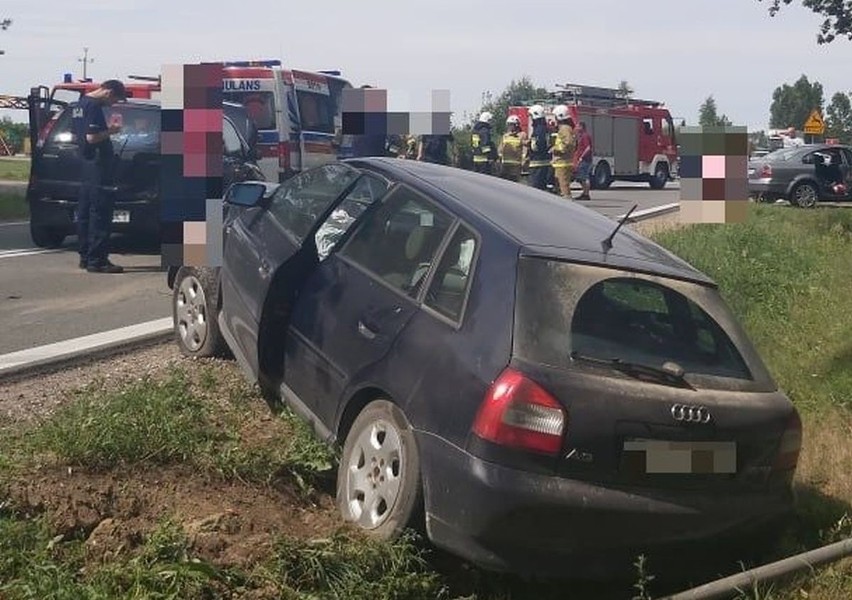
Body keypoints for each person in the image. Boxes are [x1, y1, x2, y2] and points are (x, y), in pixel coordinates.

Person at [72, 79, 126, 273]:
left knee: (85, 212)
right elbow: (92, 137)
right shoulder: (94, 106)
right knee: (100, 212)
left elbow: (77, 135)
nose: (113, 104)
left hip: (86, 164)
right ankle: (98, 260)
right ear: (108, 92)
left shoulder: (79, 104)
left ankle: (85, 256)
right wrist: (111, 131)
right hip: (98, 165)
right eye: (115, 99)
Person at [551, 106, 576, 199]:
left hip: (563, 163)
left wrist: (557, 149)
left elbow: (568, 143)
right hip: (561, 163)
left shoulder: (564, 128)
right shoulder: (565, 128)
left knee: (564, 189)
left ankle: (568, 206)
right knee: (560, 188)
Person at [526, 104, 550, 190]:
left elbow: (538, 145)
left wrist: (530, 145)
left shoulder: (539, 129)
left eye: (531, 116)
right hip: (543, 162)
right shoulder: (543, 128)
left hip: (538, 163)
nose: (531, 118)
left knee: (535, 189)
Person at [498, 115, 527, 182]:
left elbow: (525, 150)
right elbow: (500, 149)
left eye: (511, 125)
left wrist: (523, 161)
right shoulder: (505, 136)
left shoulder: (522, 135)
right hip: (505, 165)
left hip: (516, 166)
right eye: (508, 124)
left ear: (516, 125)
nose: (509, 127)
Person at [573, 120, 593, 200]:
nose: (576, 128)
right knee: (581, 177)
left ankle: (586, 194)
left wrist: (582, 157)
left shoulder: (585, 136)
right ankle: (584, 193)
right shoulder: (581, 136)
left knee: (584, 177)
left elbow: (588, 148)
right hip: (583, 160)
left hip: (585, 160)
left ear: (582, 127)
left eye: (578, 126)